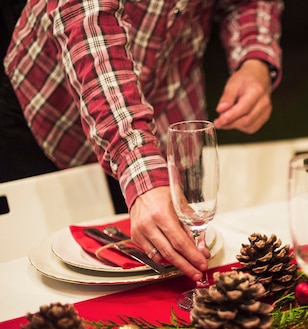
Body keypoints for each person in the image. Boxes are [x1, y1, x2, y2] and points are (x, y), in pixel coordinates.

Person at [1, 0, 283, 282]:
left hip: (167, 102)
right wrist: (138, 165)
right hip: (49, 110)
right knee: (41, 274)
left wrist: (255, 59)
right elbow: (90, 26)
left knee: (156, 272)